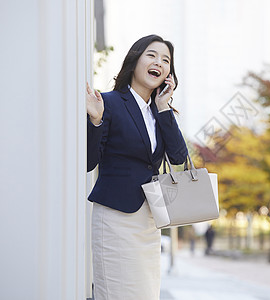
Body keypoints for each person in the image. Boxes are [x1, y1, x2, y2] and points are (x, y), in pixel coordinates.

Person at [86, 34, 188, 300]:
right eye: (152, 55)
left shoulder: (159, 112)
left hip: (149, 222)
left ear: (168, 74)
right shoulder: (108, 102)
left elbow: (178, 157)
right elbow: (88, 162)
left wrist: (164, 107)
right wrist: (96, 121)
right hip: (115, 218)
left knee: (145, 294)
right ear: (135, 59)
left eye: (166, 60)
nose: (160, 62)